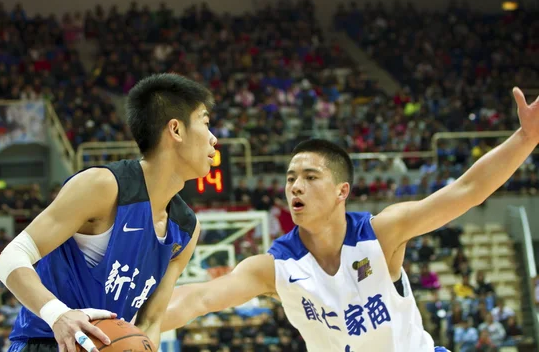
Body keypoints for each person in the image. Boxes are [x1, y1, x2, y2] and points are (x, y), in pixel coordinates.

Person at [162, 87, 539, 351]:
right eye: (291, 178)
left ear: (342, 191)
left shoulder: (382, 234)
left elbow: (467, 190)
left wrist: (525, 138)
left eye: (310, 178)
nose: (296, 187)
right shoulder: (274, 267)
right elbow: (198, 299)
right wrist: (117, 325)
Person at [0, 73, 218, 352]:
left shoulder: (185, 229)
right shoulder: (103, 186)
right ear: (176, 130)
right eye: (205, 123)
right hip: (46, 342)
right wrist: (58, 315)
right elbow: (11, 257)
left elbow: (150, 322)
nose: (214, 138)